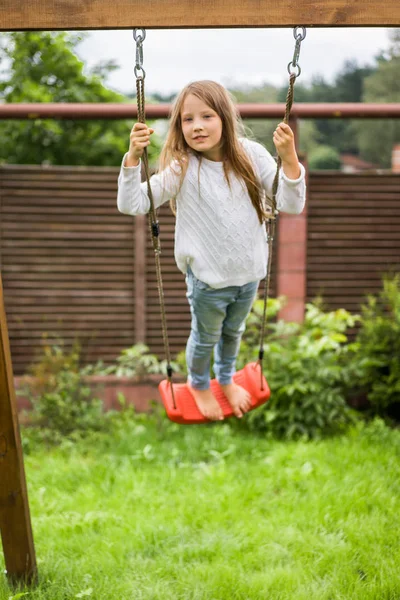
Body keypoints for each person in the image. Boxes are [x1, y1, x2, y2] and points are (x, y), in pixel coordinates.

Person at [117, 80, 306, 422]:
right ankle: (200, 383)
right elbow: (133, 203)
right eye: (187, 119)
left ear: (225, 118)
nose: (197, 126)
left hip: (249, 275)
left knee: (234, 333)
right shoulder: (182, 167)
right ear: (179, 127)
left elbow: (290, 203)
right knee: (205, 338)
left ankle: (226, 378)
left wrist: (289, 159)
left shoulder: (252, 154)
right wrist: (132, 157)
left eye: (206, 116)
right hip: (207, 281)